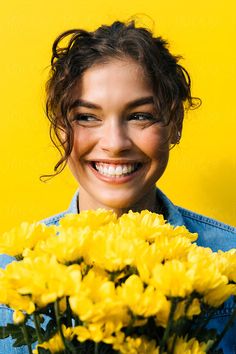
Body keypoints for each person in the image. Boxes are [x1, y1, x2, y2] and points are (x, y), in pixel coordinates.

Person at [0, 20, 235, 353]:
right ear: (60, 127)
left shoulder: (229, 261)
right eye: (87, 116)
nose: (114, 144)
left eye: (139, 116)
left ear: (175, 124)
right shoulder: (9, 278)